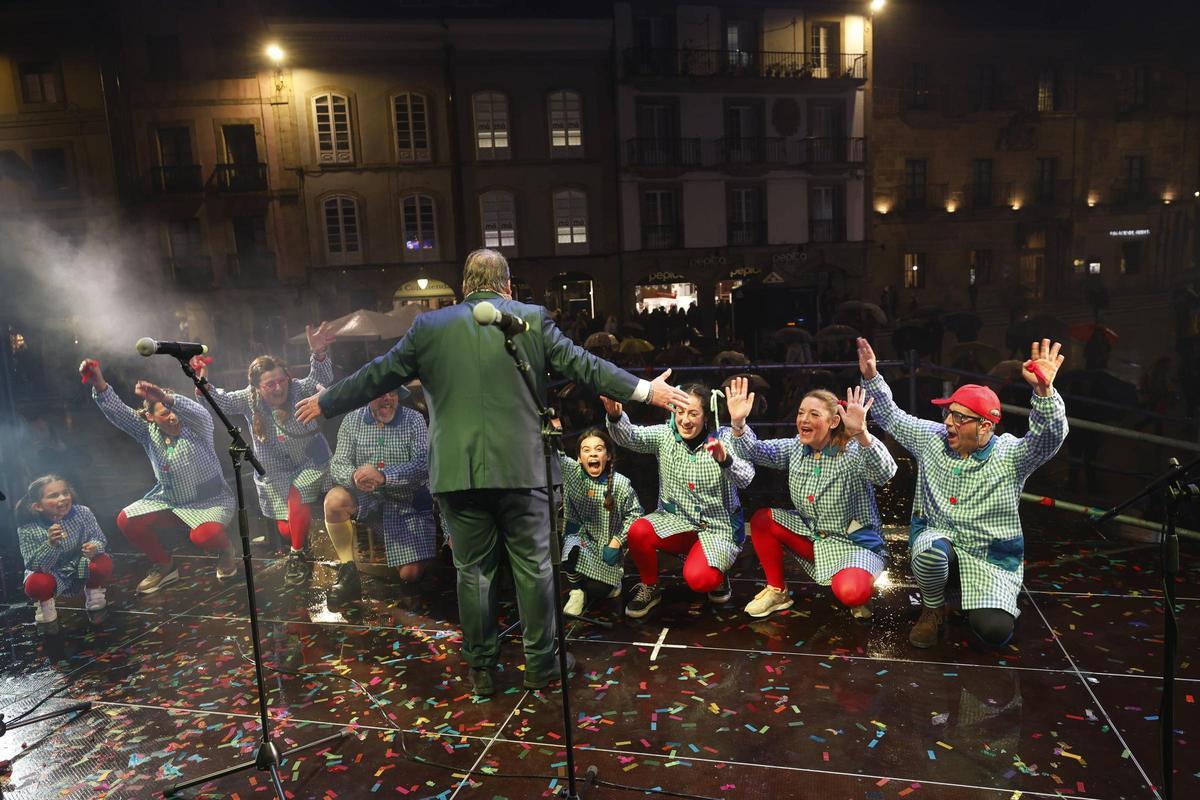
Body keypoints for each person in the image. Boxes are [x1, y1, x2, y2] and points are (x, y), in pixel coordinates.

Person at [295, 248, 690, 697]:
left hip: (458, 475)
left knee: (473, 573)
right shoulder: (530, 319)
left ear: (464, 287)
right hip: (523, 470)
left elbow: (377, 374)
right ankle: (541, 665)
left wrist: (326, 401)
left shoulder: (429, 327)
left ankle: (481, 669)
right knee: (534, 570)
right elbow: (585, 365)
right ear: (507, 286)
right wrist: (646, 390)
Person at [857, 337, 1067, 649]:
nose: (948, 422)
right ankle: (932, 608)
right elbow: (892, 416)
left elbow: (1049, 438)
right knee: (930, 552)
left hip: (987, 558)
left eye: (959, 417)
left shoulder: (1010, 456)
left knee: (994, 632)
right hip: (938, 544)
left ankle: (973, 600)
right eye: (948, 413)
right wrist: (872, 376)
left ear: (985, 426)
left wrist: (1044, 393)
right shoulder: (932, 439)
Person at [725, 378, 897, 619]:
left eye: (814, 414)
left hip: (853, 543)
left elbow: (885, 472)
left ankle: (858, 579)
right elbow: (753, 451)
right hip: (814, 537)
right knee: (763, 519)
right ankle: (777, 591)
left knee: (851, 593)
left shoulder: (853, 449)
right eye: (801, 413)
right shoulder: (796, 447)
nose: (804, 419)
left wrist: (862, 434)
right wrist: (738, 424)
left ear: (833, 421)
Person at [192, 322, 337, 586]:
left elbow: (321, 379)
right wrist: (202, 382)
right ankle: (299, 545)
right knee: (287, 529)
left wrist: (319, 354)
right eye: (270, 385)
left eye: (281, 381)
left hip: (310, 461)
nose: (278, 388)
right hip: (275, 471)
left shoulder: (298, 389)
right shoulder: (248, 399)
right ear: (257, 387)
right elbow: (219, 401)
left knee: (297, 495)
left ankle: (296, 557)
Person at [601, 383, 755, 619]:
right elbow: (630, 436)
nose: (685, 420)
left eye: (693, 413)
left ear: (705, 417)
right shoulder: (665, 435)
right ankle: (650, 586)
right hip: (676, 522)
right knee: (638, 530)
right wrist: (615, 416)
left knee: (700, 579)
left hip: (717, 529)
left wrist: (725, 460)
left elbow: (746, 478)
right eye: (680, 412)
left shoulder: (724, 437)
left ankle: (718, 570)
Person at [81, 360, 237, 593]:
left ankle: (226, 550)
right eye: (165, 413)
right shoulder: (148, 431)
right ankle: (165, 565)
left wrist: (166, 398)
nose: (173, 417)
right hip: (171, 501)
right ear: (151, 417)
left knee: (204, 537)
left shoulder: (197, 427)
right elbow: (120, 413)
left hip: (209, 501)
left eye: (174, 411)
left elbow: (200, 413)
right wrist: (100, 384)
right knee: (127, 519)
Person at [323, 388, 437, 610]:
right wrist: (354, 476)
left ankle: (400, 548)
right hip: (368, 499)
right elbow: (337, 464)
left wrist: (384, 476)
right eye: (381, 394)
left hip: (405, 502)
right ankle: (348, 569)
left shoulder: (413, 419)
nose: (387, 399)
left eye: (392, 393)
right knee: (334, 500)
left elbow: (423, 464)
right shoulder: (352, 420)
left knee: (410, 575)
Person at [556, 427, 642, 617]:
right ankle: (576, 590)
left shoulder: (620, 484)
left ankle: (608, 582)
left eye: (599, 449)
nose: (593, 454)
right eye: (586, 450)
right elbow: (554, 452)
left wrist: (617, 541)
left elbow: (636, 514)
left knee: (598, 590)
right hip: (580, 540)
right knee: (570, 549)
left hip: (606, 547)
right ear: (579, 458)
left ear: (608, 455)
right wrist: (553, 425)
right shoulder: (572, 473)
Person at [17, 475, 112, 624]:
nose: (63, 498)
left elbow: (99, 538)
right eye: (54, 496)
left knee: (103, 562)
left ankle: (93, 591)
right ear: (38, 506)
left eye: (65, 493)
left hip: (79, 563)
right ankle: (45, 604)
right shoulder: (28, 529)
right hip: (51, 571)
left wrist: (94, 547)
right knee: (36, 583)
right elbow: (33, 565)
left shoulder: (83, 513)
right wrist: (51, 544)